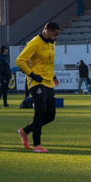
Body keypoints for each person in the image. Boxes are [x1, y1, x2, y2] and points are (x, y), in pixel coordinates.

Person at [16, 21, 61, 153]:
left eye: (58, 35)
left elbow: (47, 63)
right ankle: (37, 145)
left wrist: (53, 76)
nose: (56, 37)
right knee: (40, 112)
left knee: (50, 115)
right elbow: (20, 60)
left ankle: (25, 131)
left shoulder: (52, 42)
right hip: (36, 82)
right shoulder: (35, 42)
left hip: (48, 81)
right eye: (55, 34)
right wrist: (32, 75)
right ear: (47, 31)